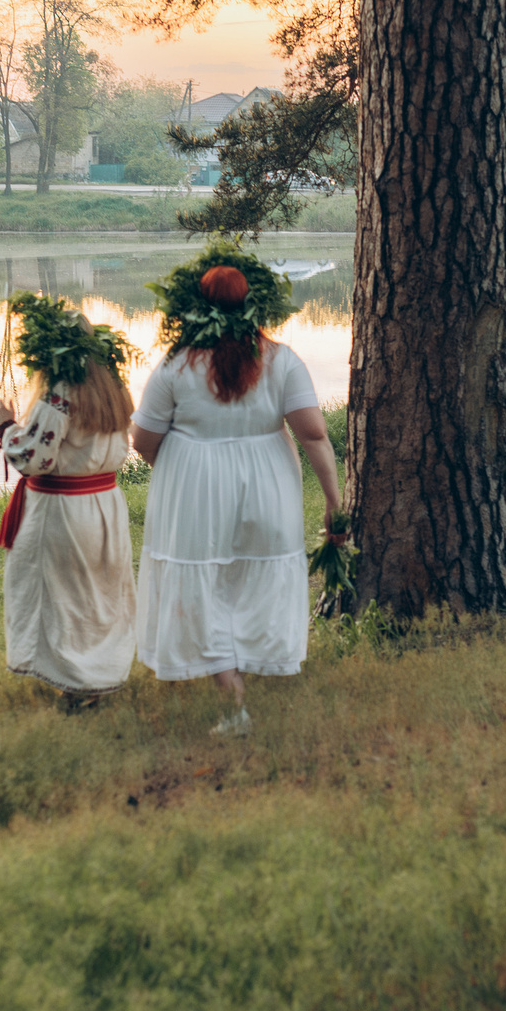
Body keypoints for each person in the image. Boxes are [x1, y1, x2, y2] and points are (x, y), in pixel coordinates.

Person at [130, 248, 344, 737]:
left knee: (204, 583)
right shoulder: (282, 359)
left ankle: (232, 696)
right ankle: (240, 676)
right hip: (268, 480)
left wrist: (182, 471)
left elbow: (142, 440)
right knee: (252, 576)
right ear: (254, 305)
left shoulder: (176, 366)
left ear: (196, 306)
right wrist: (335, 502)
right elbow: (313, 434)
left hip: (195, 485)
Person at [0, 292, 137, 702]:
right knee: (97, 593)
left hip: (63, 511)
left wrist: (5, 426)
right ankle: (99, 675)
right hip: (105, 503)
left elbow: (33, 456)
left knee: (65, 596)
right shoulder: (114, 388)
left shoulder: (59, 392)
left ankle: (78, 685)